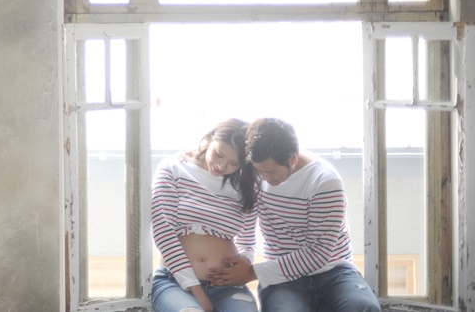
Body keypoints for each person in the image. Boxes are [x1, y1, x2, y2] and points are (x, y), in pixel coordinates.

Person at [207, 117, 380, 312]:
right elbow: (245, 233)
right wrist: (244, 260)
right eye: (260, 171)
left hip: (333, 270)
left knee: (364, 308)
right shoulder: (255, 172)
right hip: (280, 276)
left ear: (293, 159)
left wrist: (251, 272)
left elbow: (318, 253)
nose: (265, 178)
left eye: (272, 172)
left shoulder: (324, 182)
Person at [150, 119, 260, 312]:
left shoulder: (245, 184)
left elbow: (247, 240)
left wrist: (243, 263)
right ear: (209, 139)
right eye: (219, 154)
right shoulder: (173, 167)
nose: (222, 166)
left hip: (227, 286)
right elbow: (163, 230)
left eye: (233, 163)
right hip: (174, 281)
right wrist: (196, 289)